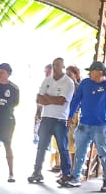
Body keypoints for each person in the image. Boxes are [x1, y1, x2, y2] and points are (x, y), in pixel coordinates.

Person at [66, 60, 106, 191]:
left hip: (101, 126)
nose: (90, 74)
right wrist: (70, 115)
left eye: (93, 72)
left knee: (104, 155)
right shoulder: (85, 83)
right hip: (84, 124)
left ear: (100, 72)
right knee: (80, 152)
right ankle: (75, 177)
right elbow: (76, 100)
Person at [30, 55, 76, 186]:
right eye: (54, 65)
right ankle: (37, 172)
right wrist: (51, 99)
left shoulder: (68, 82)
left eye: (58, 65)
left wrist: (47, 98)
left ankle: (66, 174)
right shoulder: (47, 81)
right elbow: (38, 99)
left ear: (62, 67)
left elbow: (61, 101)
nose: (55, 67)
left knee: (63, 147)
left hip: (60, 119)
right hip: (46, 117)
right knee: (41, 147)